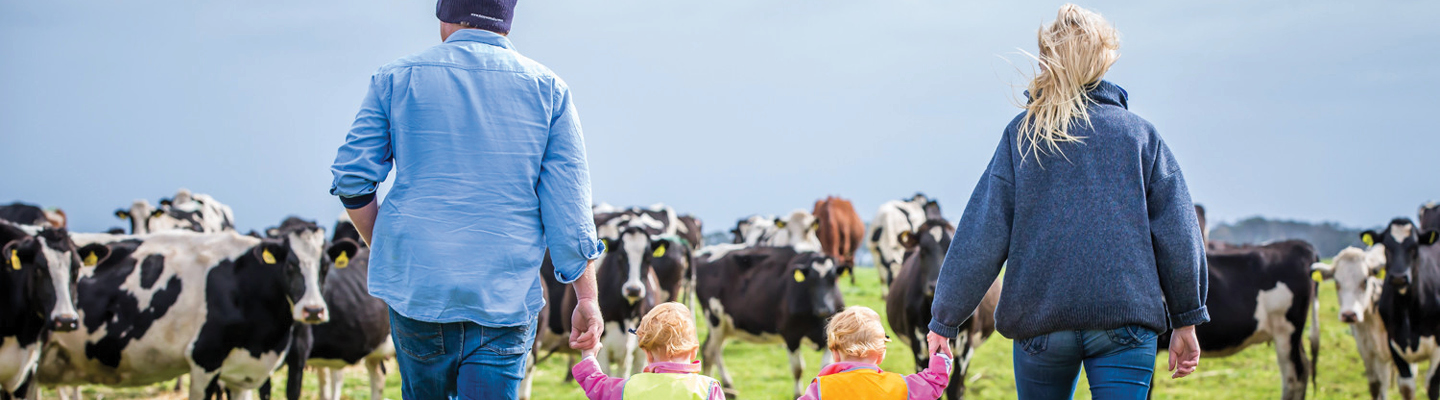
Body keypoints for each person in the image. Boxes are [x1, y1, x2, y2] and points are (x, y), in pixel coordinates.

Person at [925, 4, 1208, 399]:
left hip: (1040, 323)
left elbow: (982, 232)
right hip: (1124, 320)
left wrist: (944, 319)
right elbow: (1179, 233)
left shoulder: (1023, 135)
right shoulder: (1139, 136)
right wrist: (1187, 318)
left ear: (1049, 59)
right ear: (1104, 60)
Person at [328, 1, 606, 398]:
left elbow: (352, 179)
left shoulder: (395, 78)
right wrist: (587, 298)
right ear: (507, 22)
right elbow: (570, 211)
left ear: (445, 16)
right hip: (505, 299)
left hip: (419, 291)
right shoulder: (549, 89)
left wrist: (387, 247)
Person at [571, 302, 724, 400]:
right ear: (693, 352)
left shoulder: (630, 387)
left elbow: (598, 387)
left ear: (648, 355)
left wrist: (589, 356)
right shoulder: (707, 389)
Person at [798, 306, 950, 400]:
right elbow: (934, 382)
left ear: (835, 355)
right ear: (881, 353)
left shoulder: (821, 389)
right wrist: (941, 351)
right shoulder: (900, 386)